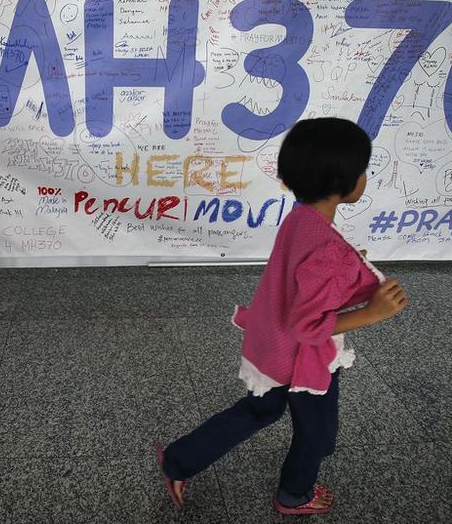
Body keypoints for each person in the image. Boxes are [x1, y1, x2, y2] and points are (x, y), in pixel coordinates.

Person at [155, 117, 409, 515]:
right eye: (364, 170)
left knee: (262, 408)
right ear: (346, 182)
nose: (365, 178)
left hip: (269, 343)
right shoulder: (325, 245)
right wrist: (371, 313)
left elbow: (301, 283)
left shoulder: (301, 218)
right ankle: (294, 495)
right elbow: (306, 326)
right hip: (299, 360)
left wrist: (343, 272)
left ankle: (178, 461)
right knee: (318, 433)